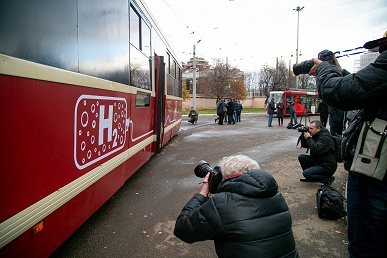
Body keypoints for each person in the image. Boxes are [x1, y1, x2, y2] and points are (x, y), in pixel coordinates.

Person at [308, 31, 387, 257]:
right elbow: (370, 87)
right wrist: (341, 72)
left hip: (375, 177)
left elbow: (339, 93)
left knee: (365, 248)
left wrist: (324, 68)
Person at [174, 154, 299, 258]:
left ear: (226, 178)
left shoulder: (222, 204)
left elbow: (182, 229)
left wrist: (202, 194)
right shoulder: (276, 195)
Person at [298, 120, 337, 185]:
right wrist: (304, 135)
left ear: (318, 129)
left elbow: (316, 149)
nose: (309, 130)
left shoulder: (325, 138)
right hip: (319, 161)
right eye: (309, 128)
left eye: (311, 128)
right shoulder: (316, 134)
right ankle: (311, 177)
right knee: (302, 157)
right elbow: (305, 145)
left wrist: (308, 138)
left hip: (326, 165)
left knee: (306, 173)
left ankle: (327, 179)